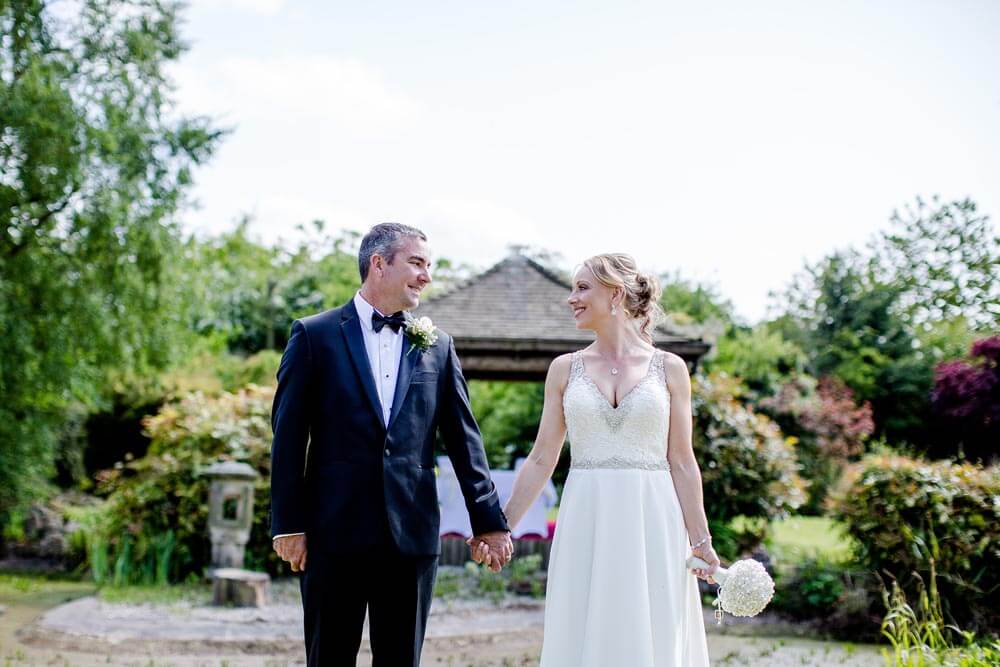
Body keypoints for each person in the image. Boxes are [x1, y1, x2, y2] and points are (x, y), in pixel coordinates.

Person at [270, 222, 513, 666]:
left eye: (429, 266)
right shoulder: (313, 335)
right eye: (417, 264)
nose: (427, 276)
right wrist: (288, 524)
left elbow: (465, 441)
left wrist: (489, 522)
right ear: (378, 264)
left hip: (411, 537)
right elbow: (287, 438)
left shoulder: (437, 346)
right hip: (332, 534)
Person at [472, 253, 718, 666]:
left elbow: (681, 460)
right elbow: (541, 458)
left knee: (654, 624)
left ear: (616, 294)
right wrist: (500, 528)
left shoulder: (670, 369)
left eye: (582, 288)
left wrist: (702, 542)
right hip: (588, 512)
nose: (572, 298)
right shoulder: (564, 369)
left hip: (652, 516)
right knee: (585, 624)